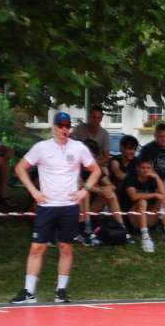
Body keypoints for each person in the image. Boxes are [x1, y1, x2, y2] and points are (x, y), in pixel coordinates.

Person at [10, 112, 101, 304]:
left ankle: (61, 291)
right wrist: (34, 191)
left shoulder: (79, 148)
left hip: (69, 206)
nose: (64, 129)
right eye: (61, 126)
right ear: (54, 127)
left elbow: (95, 171)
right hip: (47, 205)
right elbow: (20, 168)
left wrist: (84, 190)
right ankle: (29, 291)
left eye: (67, 126)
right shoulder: (41, 147)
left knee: (66, 247)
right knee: (37, 247)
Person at [123, 157, 165, 253]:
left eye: (148, 168)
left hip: (148, 216)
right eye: (143, 167)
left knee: (163, 201)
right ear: (137, 168)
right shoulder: (130, 178)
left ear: (152, 169)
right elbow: (133, 196)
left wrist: (157, 177)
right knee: (142, 202)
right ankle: (145, 238)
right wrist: (154, 194)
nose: (145, 170)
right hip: (132, 217)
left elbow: (163, 195)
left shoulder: (152, 179)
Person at [79, 139, 131, 245]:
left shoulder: (95, 169)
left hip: (91, 209)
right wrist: (100, 190)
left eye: (93, 157)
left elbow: (111, 185)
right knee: (85, 193)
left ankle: (123, 229)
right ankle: (86, 231)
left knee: (110, 195)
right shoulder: (75, 167)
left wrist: (108, 189)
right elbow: (81, 185)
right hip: (75, 210)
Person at [139, 123, 165, 193]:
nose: (164, 139)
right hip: (154, 184)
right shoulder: (147, 149)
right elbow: (143, 168)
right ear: (155, 136)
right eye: (160, 137)